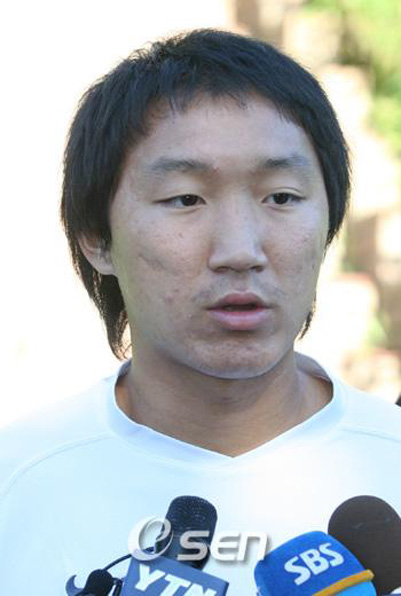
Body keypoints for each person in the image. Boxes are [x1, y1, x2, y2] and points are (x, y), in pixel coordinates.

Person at [1, 29, 401, 595]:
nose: (240, 250)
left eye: (282, 197)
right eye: (185, 199)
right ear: (97, 238)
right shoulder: (17, 482)